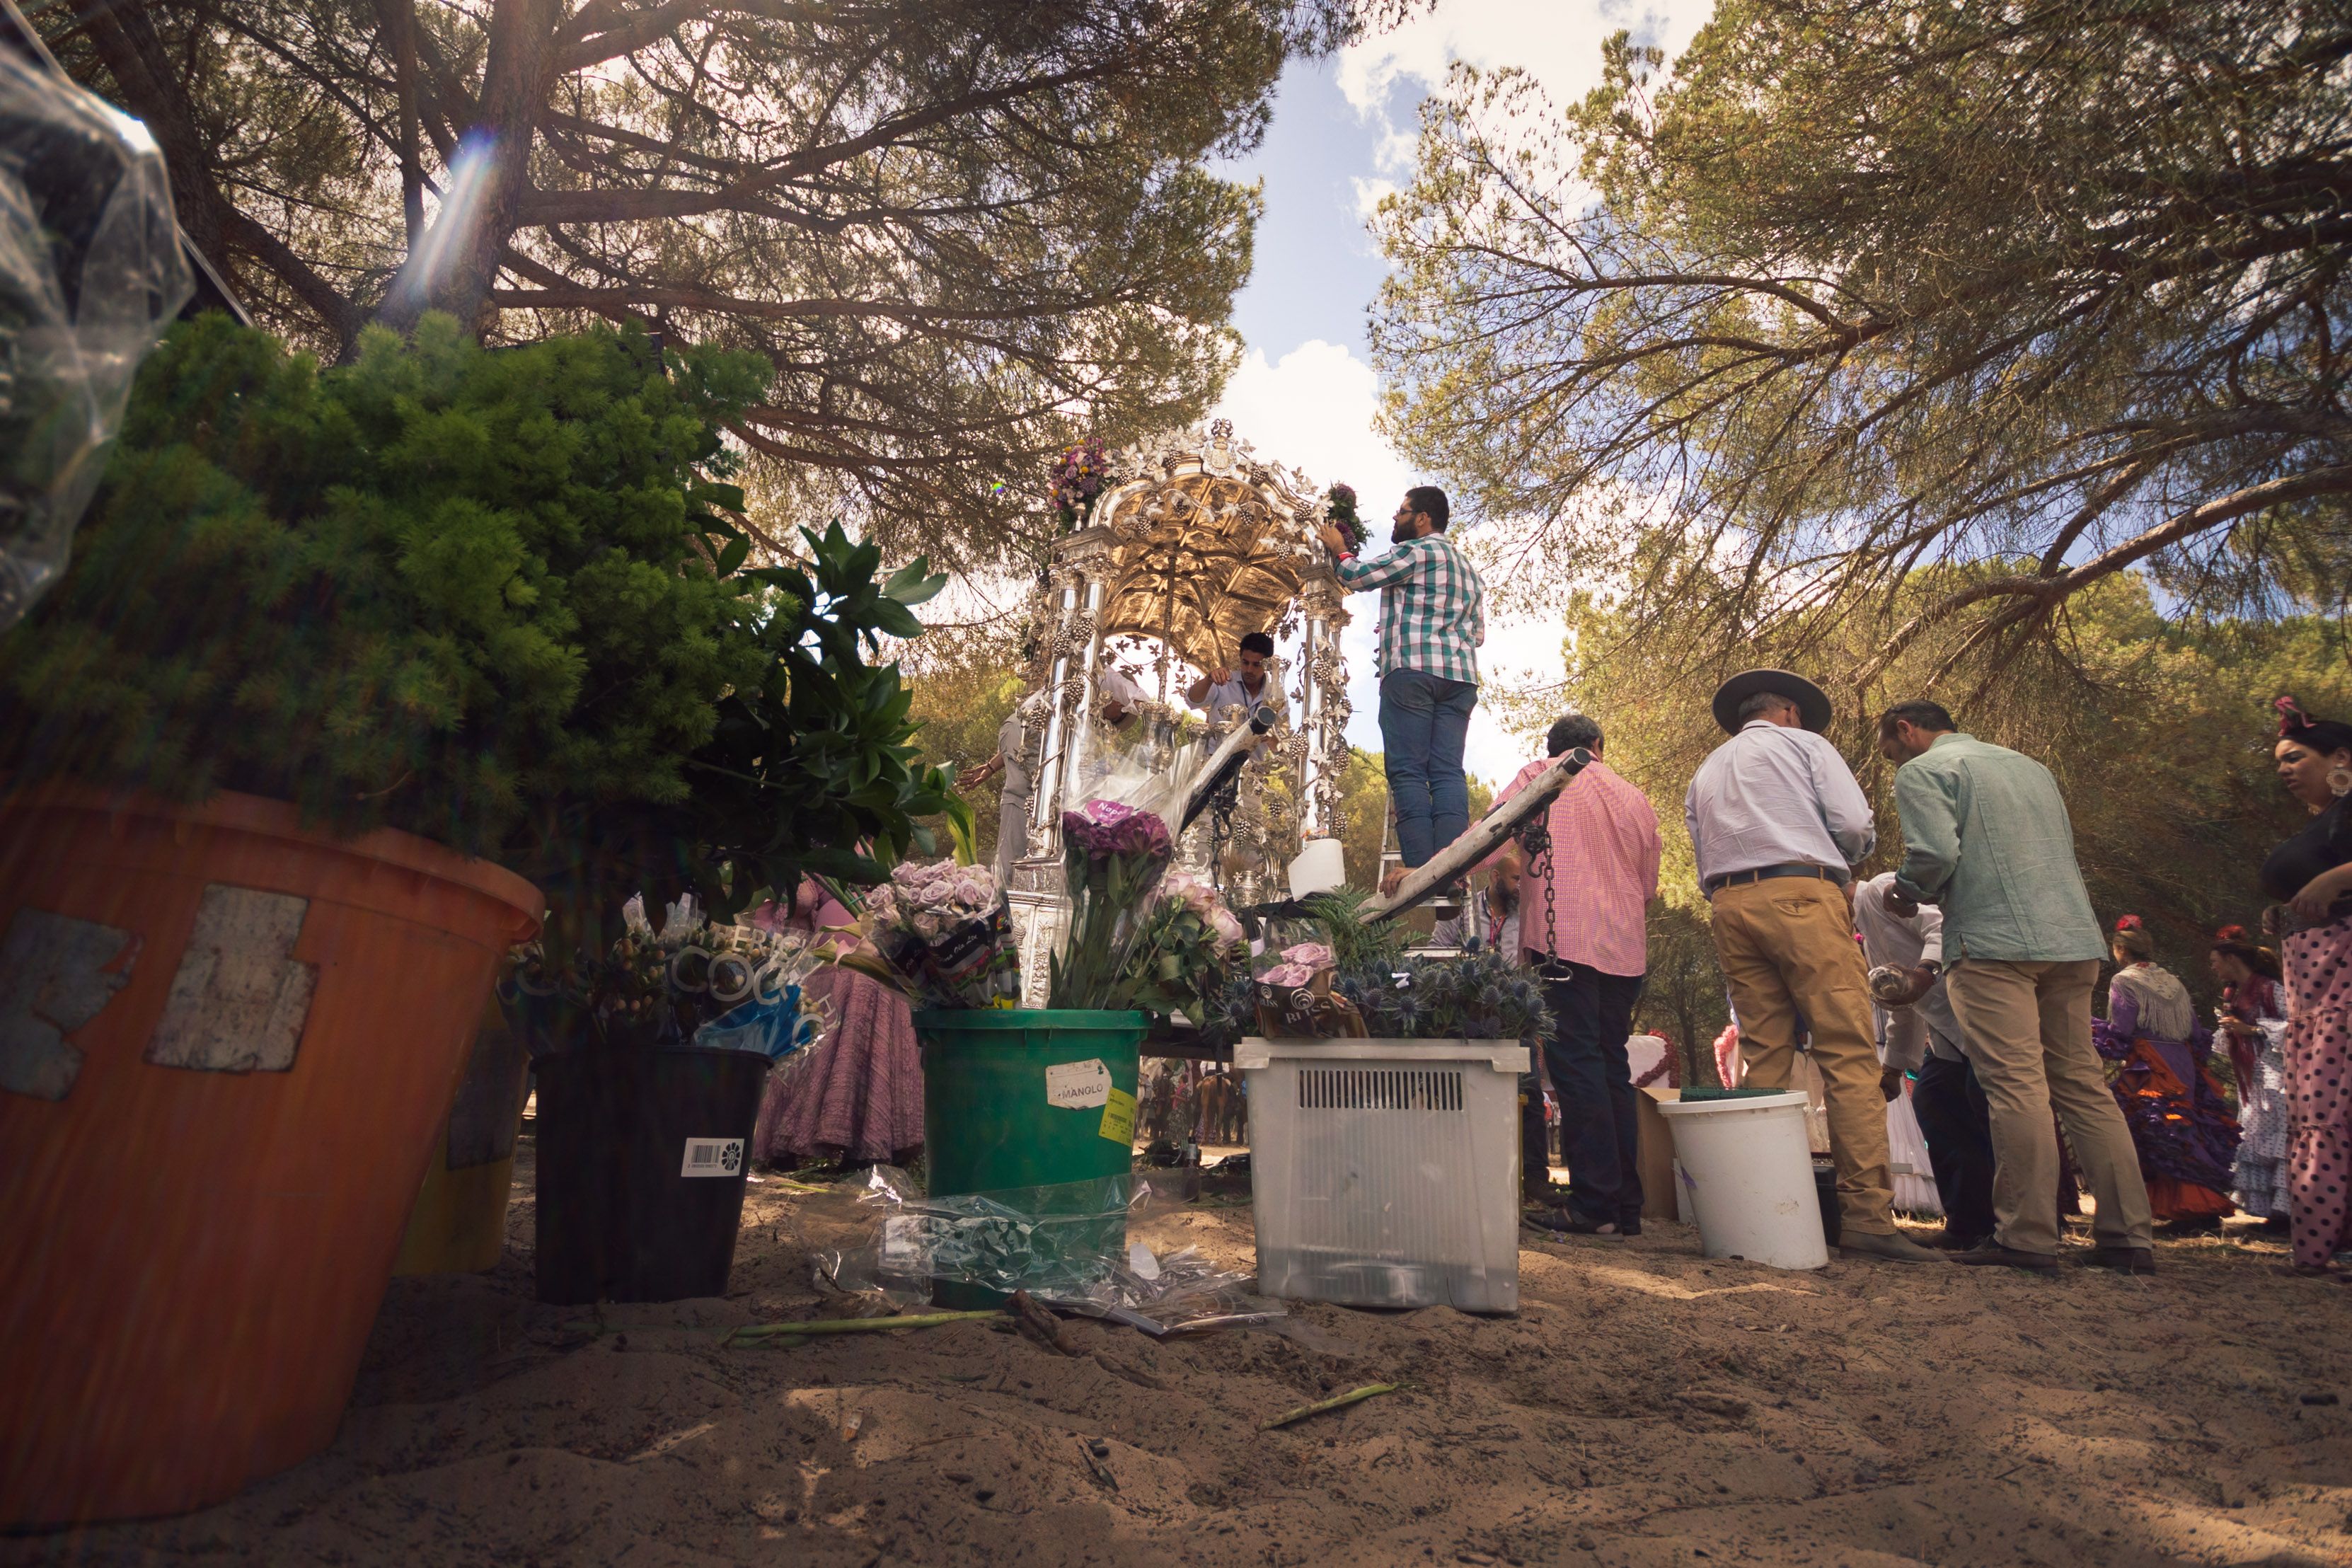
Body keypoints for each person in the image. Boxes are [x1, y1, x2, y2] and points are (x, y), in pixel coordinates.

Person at [1879, 699, 2155, 1274]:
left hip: (1992, 941)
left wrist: (1905, 891)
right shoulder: (2031, 767)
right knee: (2082, 1086)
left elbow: (1933, 855)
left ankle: (2026, 1238)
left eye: (1891, 751)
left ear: (1906, 730)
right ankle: (2127, 1237)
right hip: (2073, 939)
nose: (1893, 763)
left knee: (2015, 1087)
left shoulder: (1925, 770)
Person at [1685, 671, 1939, 1262]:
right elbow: (1852, 827)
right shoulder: (1806, 746)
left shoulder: (1706, 770)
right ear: (1791, 712)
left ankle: (1763, 1216)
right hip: (1801, 892)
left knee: (1766, 1054)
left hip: (1729, 905)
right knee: (1847, 1052)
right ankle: (1868, 1219)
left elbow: (1701, 851)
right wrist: (1841, 861)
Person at [1493, 714, 1663, 1239]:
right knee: (1611, 1066)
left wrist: (1425, 871)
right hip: (1623, 949)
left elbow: (1491, 836)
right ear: (1597, 745)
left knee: (1577, 1067)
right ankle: (1623, 1206)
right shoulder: (1635, 798)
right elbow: (1650, 885)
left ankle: (1595, 1204)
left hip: (1561, 937)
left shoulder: (1540, 775)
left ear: (1556, 750)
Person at [1315, 485, 1484, 872]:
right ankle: (1452, 869)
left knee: (1408, 770)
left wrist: (1340, 547)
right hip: (1460, 679)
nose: (1395, 516)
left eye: (1402, 511)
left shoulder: (1418, 551)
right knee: (1447, 771)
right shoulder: (1469, 570)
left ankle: (1422, 872)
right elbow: (1477, 635)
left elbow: (1358, 576)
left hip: (1412, 673)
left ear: (1422, 518)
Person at [1850, 872, 1998, 1250]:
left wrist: (1923, 973)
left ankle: (2009, 1225)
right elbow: (1904, 1005)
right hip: (1948, 1035)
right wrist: (1894, 1069)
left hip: (1980, 1015)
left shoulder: (1884, 890)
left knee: (1987, 1112)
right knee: (1933, 1100)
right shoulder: (1867, 936)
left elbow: (1942, 928)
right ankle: (1966, 1225)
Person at [2259, 696, 2352, 1276]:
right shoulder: (2330, 822)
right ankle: (2327, 1242)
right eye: (2278, 763)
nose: (2285, 770)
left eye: (2295, 757)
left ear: (2341, 756)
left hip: (2345, 971)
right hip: (2313, 979)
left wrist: (2335, 876)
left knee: (2337, 1100)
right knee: (2319, 1103)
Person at [751, 882, 924, 1169]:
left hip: (876, 967)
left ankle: (865, 1144)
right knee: (816, 1045)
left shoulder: (884, 858)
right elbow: (801, 901)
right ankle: (800, 1142)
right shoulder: (822, 856)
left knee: (862, 1031)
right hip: (827, 970)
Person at [2092, 914, 2239, 1233]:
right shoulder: (2173, 980)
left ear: (2120, 949)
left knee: (2153, 1125)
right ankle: (2197, 1206)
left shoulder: (2124, 981)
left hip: (2149, 1063)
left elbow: (2121, 1032)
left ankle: (2184, 1208)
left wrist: (2090, 1030)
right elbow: (2193, 1029)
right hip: (2183, 1061)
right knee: (2185, 1126)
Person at [2213, 927, 2289, 1229]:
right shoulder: (2232, 993)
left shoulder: (2271, 988)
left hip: (2276, 1074)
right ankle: (2273, 1212)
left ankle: (2290, 1215)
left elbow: (2294, 1025)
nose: (2213, 967)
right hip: (2252, 1077)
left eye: (2215, 960)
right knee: (2258, 1136)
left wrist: (2253, 1030)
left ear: (2231, 958)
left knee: (2280, 1137)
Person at [1187, 630, 1287, 724]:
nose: (1249, 670)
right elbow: (1192, 702)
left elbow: (1282, 734)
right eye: (1245, 662)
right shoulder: (1223, 682)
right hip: (1221, 743)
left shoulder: (1276, 697)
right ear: (1240, 658)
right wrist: (1208, 680)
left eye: (1256, 665)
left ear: (1267, 665)